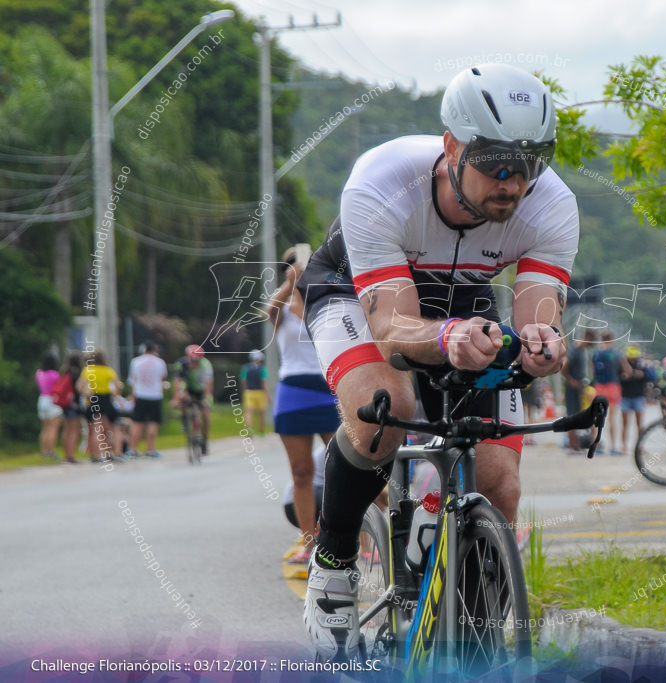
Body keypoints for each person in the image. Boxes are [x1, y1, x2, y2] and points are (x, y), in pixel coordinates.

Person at [296, 63, 574, 661]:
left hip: (463, 298)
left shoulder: (551, 204)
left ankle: (471, 641)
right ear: (453, 146)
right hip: (359, 293)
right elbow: (393, 329)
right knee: (387, 410)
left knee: (499, 482)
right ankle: (334, 557)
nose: (512, 181)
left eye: (529, 164)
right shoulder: (380, 180)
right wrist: (447, 338)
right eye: (496, 162)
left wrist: (542, 345)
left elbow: (538, 315)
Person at [266, 247, 340, 565]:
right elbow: (270, 310)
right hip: (294, 391)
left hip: (328, 389)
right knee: (301, 473)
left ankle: (364, 542)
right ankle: (310, 544)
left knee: (346, 467)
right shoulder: (280, 308)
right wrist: (290, 283)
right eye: (295, 265)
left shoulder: (326, 301)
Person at [78, 349, 125, 463]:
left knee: (96, 429)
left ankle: (96, 455)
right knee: (113, 428)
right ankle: (115, 453)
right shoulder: (108, 370)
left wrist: (86, 395)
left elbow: (79, 386)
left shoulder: (88, 370)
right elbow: (118, 385)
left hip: (93, 399)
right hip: (106, 399)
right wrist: (115, 394)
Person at [127, 342, 167, 458]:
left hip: (140, 394)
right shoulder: (160, 362)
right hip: (155, 395)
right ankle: (150, 449)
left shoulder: (136, 361)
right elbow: (162, 378)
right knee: (153, 424)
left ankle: (132, 449)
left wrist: (133, 394)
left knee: (137, 423)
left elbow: (132, 380)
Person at [172, 345, 213, 454]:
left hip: (201, 391)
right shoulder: (181, 364)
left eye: (196, 360)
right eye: (191, 360)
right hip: (188, 388)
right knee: (182, 399)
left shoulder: (206, 365)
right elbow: (177, 382)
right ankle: (184, 419)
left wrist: (206, 398)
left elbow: (208, 385)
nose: (193, 363)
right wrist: (176, 398)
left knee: (205, 413)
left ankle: (204, 439)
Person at [562, 330, 595, 453]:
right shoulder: (575, 351)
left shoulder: (582, 351)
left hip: (578, 389)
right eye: (592, 340)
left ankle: (576, 445)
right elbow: (564, 368)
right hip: (572, 389)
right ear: (587, 338)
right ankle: (571, 445)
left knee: (576, 416)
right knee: (571, 416)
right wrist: (571, 381)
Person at [591, 331, 623, 454]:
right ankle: (613, 446)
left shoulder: (597, 353)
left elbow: (593, 372)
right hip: (613, 386)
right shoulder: (616, 354)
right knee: (612, 418)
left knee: (597, 417)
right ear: (612, 339)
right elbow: (625, 369)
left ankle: (596, 444)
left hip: (599, 386)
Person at [59, 352, 85, 464]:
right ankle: (71, 456)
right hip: (75, 404)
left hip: (65, 404)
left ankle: (66, 455)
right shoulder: (78, 373)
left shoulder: (65, 372)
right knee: (74, 431)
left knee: (66, 430)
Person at [619, 346, 647, 453]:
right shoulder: (622, 365)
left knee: (639, 424)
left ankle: (640, 446)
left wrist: (642, 375)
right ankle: (623, 446)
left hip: (638, 396)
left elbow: (647, 378)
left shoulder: (642, 365)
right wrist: (624, 376)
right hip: (625, 396)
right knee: (625, 423)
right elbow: (619, 378)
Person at [36, 351, 63, 460]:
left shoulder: (39, 373)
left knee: (45, 428)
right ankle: (51, 451)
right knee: (53, 428)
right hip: (52, 400)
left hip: (42, 399)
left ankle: (44, 451)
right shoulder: (55, 374)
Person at [240, 349, 270, 436]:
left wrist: (244, 390)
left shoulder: (246, 367)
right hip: (260, 392)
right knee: (261, 412)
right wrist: (267, 395)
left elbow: (243, 380)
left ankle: (249, 429)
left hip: (249, 392)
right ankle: (261, 431)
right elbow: (264, 382)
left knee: (248, 412)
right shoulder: (262, 368)